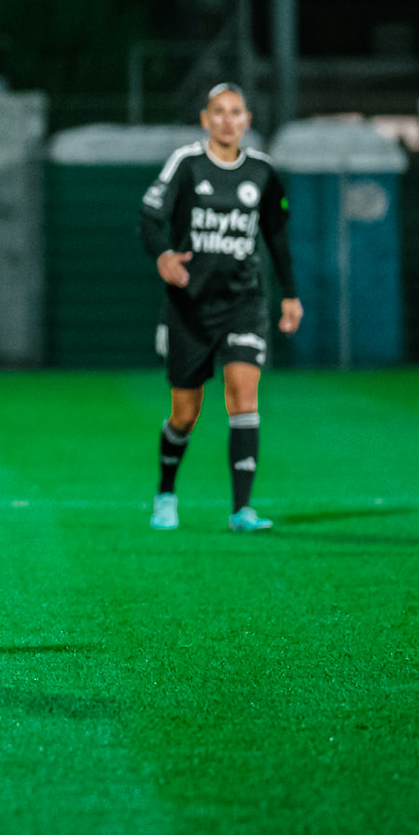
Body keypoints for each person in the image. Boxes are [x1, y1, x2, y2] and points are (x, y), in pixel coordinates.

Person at [139, 83, 301, 533]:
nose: (228, 120)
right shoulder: (187, 165)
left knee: (243, 394)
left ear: (247, 120)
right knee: (185, 414)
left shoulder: (264, 173)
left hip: (244, 303)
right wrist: (163, 255)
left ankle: (241, 510)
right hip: (189, 308)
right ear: (205, 119)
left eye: (236, 112)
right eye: (219, 112)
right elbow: (151, 217)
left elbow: (277, 236)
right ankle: (166, 493)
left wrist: (289, 294)